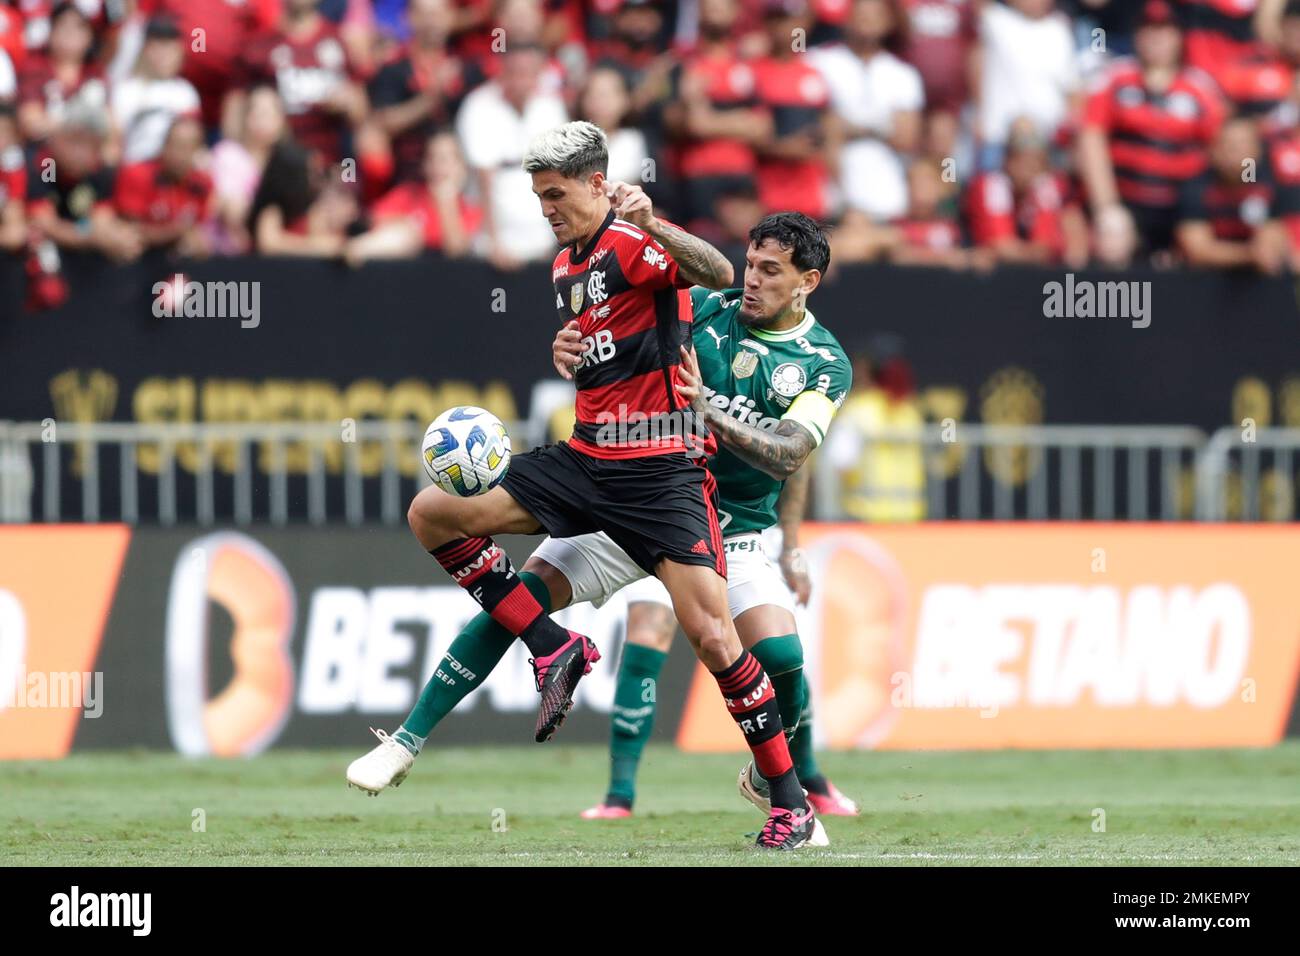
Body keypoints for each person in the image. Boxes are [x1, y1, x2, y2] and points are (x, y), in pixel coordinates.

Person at [349, 121, 826, 849]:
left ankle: (790, 801)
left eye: (556, 194)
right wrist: (570, 345)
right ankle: (552, 647)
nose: (546, 207)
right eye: (538, 195)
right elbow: (603, 337)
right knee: (433, 513)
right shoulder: (565, 265)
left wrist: (652, 223)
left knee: (713, 638)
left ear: (598, 184)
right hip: (587, 458)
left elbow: (719, 275)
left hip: (662, 471)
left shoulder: (636, 241)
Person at [1077, 0, 1226, 265]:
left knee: (1196, 245)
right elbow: (1091, 138)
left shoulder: (1200, 89)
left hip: (1179, 208)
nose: (1156, 38)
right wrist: (1107, 206)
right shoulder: (1114, 78)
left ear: (1179, 37)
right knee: (1112, 242)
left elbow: (1222, 148)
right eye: (1149, 30)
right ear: (1137, 35)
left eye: (1164, 30)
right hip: (1127, 201)